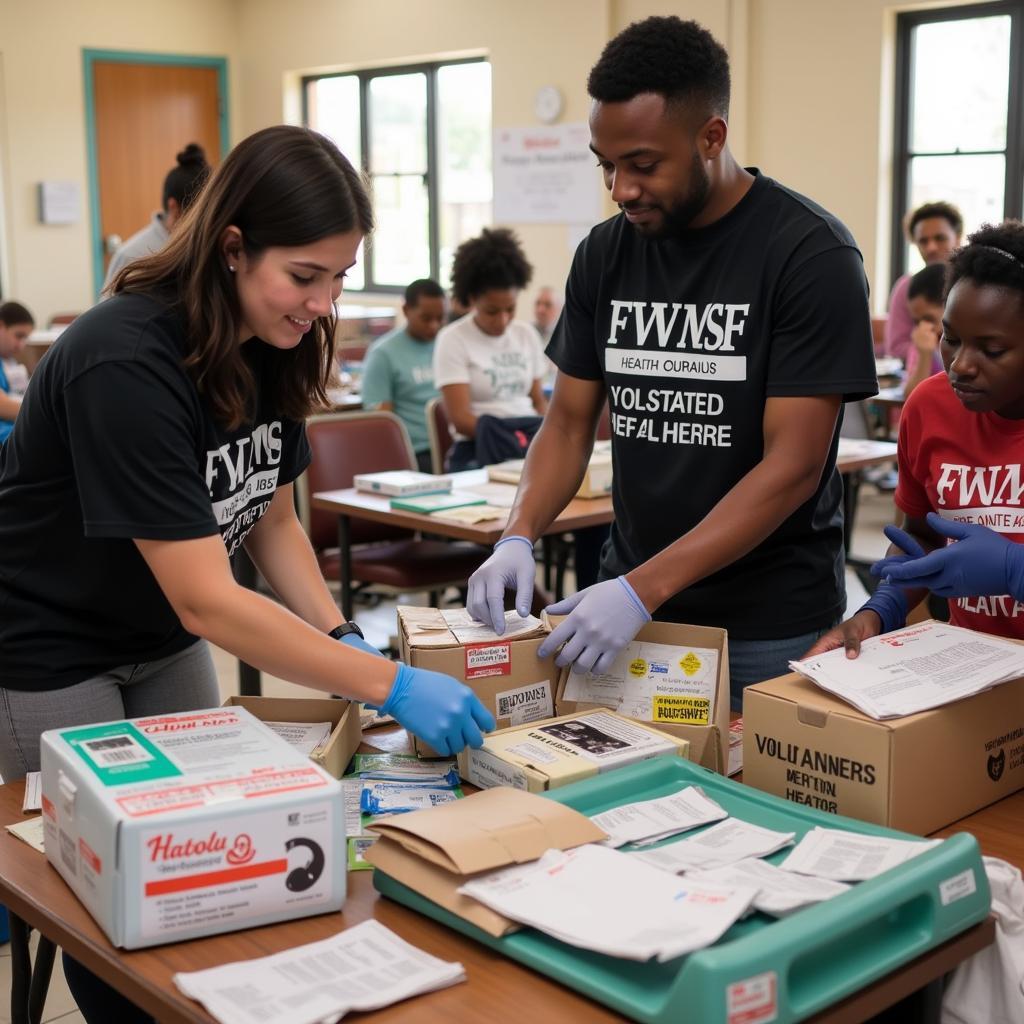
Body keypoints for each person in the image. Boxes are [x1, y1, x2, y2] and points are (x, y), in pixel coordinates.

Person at [0, 125, 494, 1023]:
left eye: (341, 275)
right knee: (105, 888)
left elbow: (269, 516)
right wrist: (388, 677)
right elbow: (209, 596)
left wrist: (339, 634)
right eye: (305, 275)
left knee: (204, 855)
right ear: (232, 247)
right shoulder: (126, 357)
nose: (323, 301)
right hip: (49, 644)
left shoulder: (274, 339)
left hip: (162, 635)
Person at [466, 16, 877, 710]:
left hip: (762, 624)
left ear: (710, 137)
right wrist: (518, 533)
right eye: (607, 164)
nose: (621, 187)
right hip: (628, 612)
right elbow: (567, 425)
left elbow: (792, 468)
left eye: (643, 164)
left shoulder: (810, 256)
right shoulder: (605, 254)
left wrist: (641, 588)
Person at [808, 221, 1024, 659]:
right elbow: (921, 536)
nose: (960, 365)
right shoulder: (930, 407)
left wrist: (1014, 569)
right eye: (952, 338)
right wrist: (882, 608)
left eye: (993, 349)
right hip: (976, 662)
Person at [434, 227, 549, 470]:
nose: (503, 320)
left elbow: (539, 402)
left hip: (528, 441)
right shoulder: (453, 339)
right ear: (472, 299)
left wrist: (541, 432)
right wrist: (511, 433)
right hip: (477, 449)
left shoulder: (526, 335)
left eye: (510, 309)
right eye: (492, 311)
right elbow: (461, 419)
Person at [361, 278, 445, 472]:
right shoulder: (383, 354)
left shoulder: (448, 345)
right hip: (416, 451)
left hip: (451, 444)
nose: (434, 326)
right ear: (406, 310)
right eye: (426, 318)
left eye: (440, 318)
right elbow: (381, 418)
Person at [102, 143, 211, 288]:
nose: (209, 220)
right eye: (202, 212)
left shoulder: (212, 248)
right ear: (174, 208)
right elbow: (110, 309)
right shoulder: (131, 257)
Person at [884, 201, 963, 364]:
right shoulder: (905, 288)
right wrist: (925, 350)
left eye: (940, 238)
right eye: (923, 241)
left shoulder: (972, 284)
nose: (931, 247)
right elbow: (895, 347)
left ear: (958, 237)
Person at [902, 263, 946, 400]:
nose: (923, 327)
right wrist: (925, 356)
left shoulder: (963, 343)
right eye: (916, 321)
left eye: (929, 318)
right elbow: (910, 397)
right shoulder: (920, 344)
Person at [0, 300, 34, 443]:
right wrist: (40, 411)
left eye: (25, 338)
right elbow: (2, 406)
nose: (21, 345)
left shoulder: (6, 361)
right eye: (18, 336)